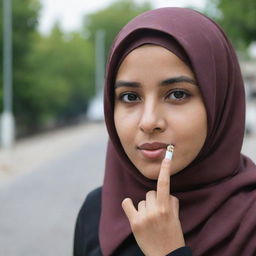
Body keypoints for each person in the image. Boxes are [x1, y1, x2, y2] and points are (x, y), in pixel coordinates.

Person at [73, 7, 256, 256]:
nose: (149, 122)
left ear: (219, 102)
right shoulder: (97, 212)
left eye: (177, 94)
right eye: (130, 96)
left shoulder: (249, 222)